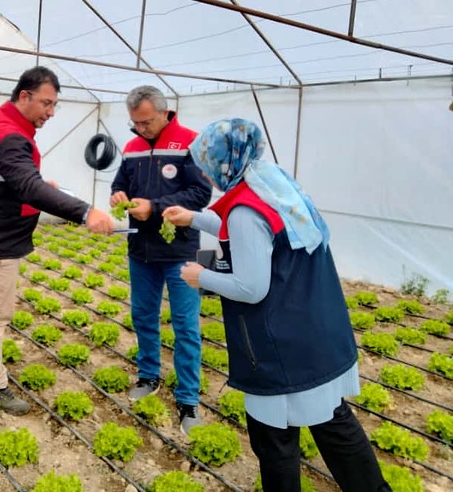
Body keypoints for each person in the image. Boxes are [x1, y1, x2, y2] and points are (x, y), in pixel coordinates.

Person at [164, 118, 389, 492]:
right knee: (334, 424)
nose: (205, 174)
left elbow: (250, 288)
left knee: (275, 442)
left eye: (206, 165)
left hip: (280, 348)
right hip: (316, 332)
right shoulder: (273, 184)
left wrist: (198, 276)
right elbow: (238, 224)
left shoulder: (245, 213)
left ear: (223, 163)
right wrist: (194, 217)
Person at [0, 66, 114, 415]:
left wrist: (38, 186)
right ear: (24, 96)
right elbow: (27, 186)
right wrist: (87, 212)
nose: (51, 112)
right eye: (46, 103)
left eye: (54, 105)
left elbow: (13, 180)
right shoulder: (11, 135)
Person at [109, 85, 212, 435]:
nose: (141, 130)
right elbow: (118, 184)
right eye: (136, 123)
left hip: (180, 250)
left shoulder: (189, 142)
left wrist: (154, 206)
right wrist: (118, 195)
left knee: (185, 325)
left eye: (147, 122)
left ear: (165, 113)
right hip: (142, 249)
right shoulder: (133, 146)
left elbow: (200, 193)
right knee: (143, 316)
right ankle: (148, 375)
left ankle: (187, 398)